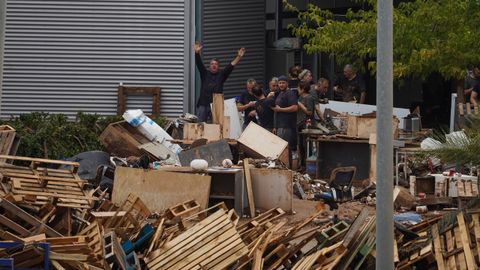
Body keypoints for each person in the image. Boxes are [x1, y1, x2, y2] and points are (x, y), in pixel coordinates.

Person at [194, 42, 245, 122]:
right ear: (209, 66)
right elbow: (199, 64)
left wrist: (238, 57)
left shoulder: (221, 75)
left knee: (216, 127)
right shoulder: (205, 73)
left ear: (218, 66)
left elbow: (230, 66)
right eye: (212, 64)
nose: (214, 65)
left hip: (216, 105)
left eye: (216, 64)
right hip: (203, 104)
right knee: (200, 125)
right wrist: (196, 53)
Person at [273, 75, 298, 169]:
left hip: (287, 126)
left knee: (286, 149)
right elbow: (276, 110)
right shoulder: (279, 94)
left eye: (283, 83)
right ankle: (283, 167)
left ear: (287, 83)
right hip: (280, 125)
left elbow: (295, 107)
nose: (281, 85)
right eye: (280, 83)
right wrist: (275, 126)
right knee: (281, 149)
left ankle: (288, 168)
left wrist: (281, 110)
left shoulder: (290, 93)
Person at [296, 81, 315, 171]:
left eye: (299, 88)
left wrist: (300, 105)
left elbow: (309, 112)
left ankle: (308, 166)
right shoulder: (299, 97)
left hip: (306, 123)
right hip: (299, 123)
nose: (297, 90)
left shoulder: (309, 98)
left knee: (306, 145)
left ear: (302, 89)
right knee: (300, 145)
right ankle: (302, 165)